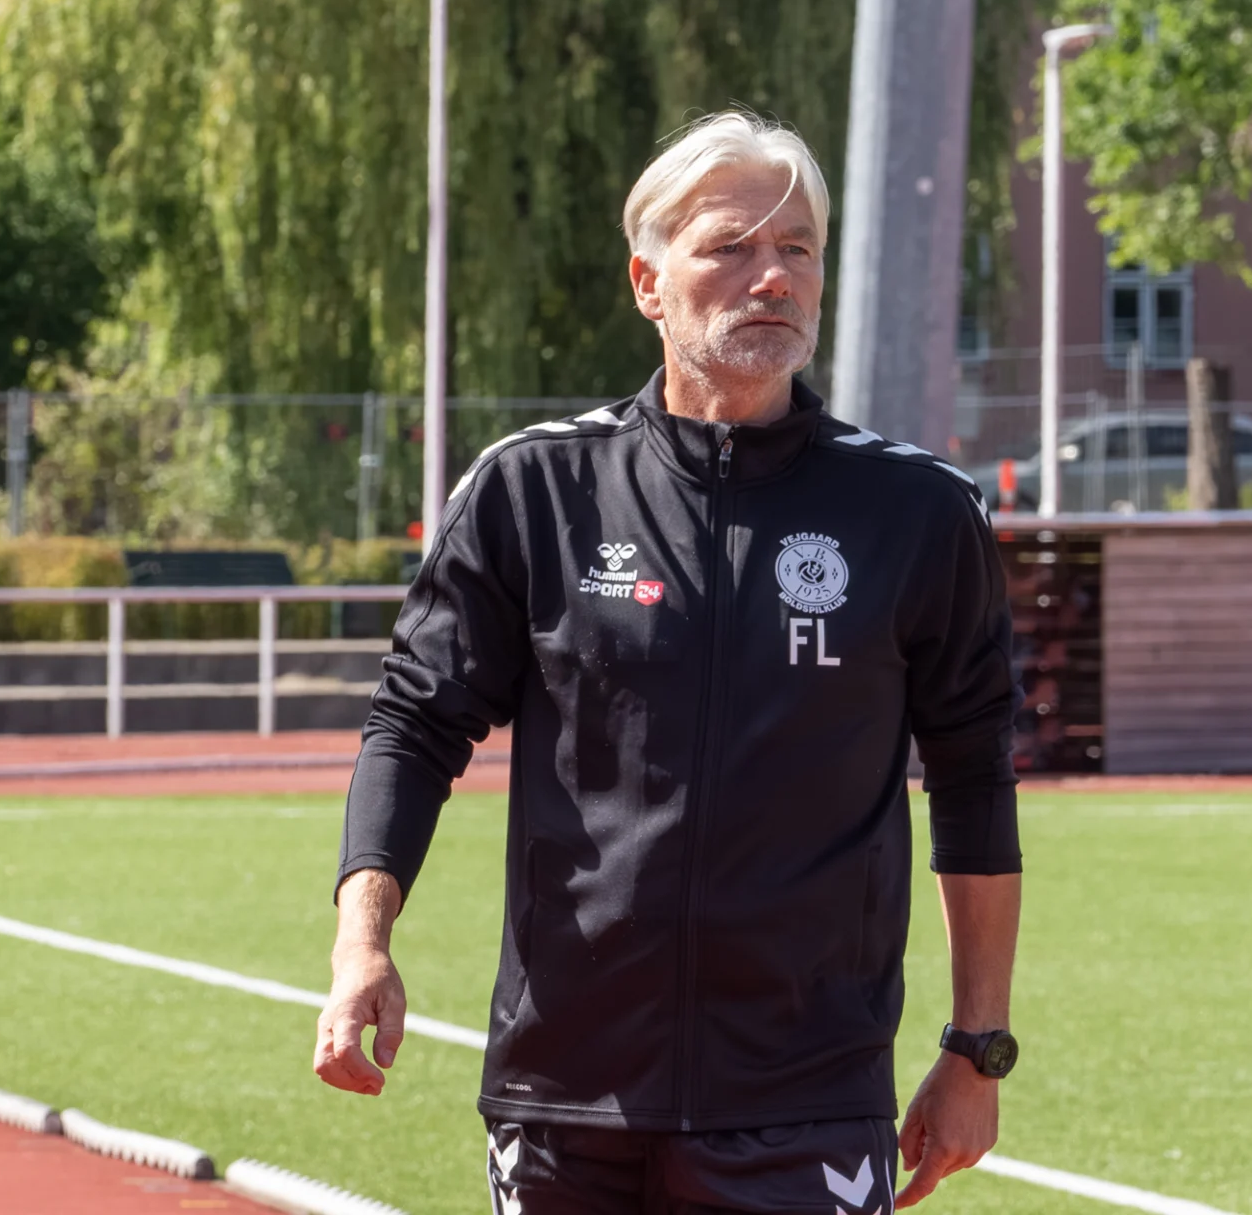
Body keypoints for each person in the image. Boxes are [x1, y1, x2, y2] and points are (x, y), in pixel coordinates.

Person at [315, 111, 1023, 1214]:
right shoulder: (532, 489)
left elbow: (974, 780)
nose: (772, 276)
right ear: (648, 282)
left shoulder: (918, 512)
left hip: (808, 1096)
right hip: (564, 1092)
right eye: (731, 247)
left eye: (797, 249)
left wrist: (978, 1047)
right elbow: (414, 723)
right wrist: (362, 942)